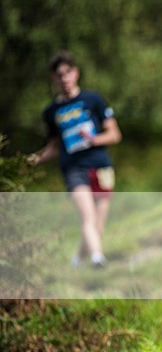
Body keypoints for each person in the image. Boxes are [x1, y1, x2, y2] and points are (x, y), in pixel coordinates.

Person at [29, 51, 122, 268]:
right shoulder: (51, 112)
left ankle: (79, 259)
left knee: (98, 223)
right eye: (59, 74)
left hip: (101, 166)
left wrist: (93, 139)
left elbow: (115, 135)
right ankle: (98, 259)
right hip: (73, 169)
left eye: (68, 73)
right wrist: (33, 161)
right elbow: (54, 147)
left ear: (76, 73)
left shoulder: (93, 100)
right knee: (87, 217)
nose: (64, 78)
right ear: (53, 78)